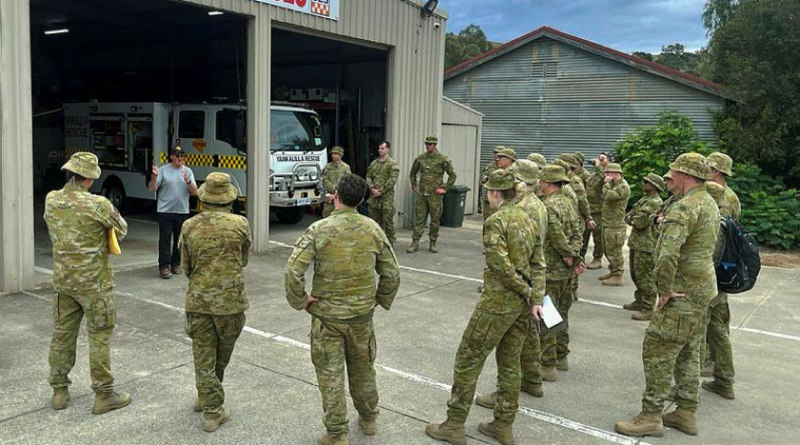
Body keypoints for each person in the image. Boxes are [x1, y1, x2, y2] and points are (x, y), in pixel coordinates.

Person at [426, 169, 544, 445]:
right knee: (510, 363)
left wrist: (527, 291)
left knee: (468, 358)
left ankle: (454, 424)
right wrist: (534, 297)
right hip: (521, 305)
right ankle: (503, 424)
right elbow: (539, 263)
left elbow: (500, 265)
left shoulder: (496, 221)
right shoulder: (528, 219)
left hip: (498, 302)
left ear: (493, 193)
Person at [285, 174, 400, 445]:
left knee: (330, 375)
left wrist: (301, 300)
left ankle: (337, 434)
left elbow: (293, 270)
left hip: (327, 318)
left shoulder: (319, 229)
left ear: (335, 195)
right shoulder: (373, 229)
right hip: (361, 316)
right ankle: (369, 419)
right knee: (363, 369)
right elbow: (392, 273)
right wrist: (381, 298)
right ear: (361, 200)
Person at [615, 153, 719, 438]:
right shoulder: (709, 202)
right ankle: (686, 411)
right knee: (689, 352)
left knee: (658, 350)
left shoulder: (684, 208)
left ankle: (650, 415)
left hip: (682, 294)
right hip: (702, 291)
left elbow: (667, 255)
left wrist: (664, 290)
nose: (667, 178)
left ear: (686, 176)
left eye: (672, 173)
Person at [44, 152, 131, 414]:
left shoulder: (51, 200)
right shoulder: (99, 204)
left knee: (62, 337)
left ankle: (59, 391)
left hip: (64, 282)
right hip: (95, 284)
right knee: (99, 339)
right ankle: (104, 394)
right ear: (91, 178)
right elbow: (122, 229)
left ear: (70, 173)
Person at [179, 172, 252, 433]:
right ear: (228, 198)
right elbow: (243, 260)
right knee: (221, 356)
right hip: (231, 303)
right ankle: (212, 411)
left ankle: (207, 397)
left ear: (205, 197)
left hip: (199, 300)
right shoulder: (240, 224)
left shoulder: (189, 226)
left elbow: (185, 267)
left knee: (203, 356)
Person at [474, 160, 548, 410]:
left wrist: (529, 292)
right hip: (528, 286)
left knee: (485, 353)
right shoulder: (533, 205)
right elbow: (538, 258)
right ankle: (530, 382)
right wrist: (534, 293)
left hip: (511, 291)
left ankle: (526, 383)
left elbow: (507, 260)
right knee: (520, 344)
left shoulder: (522, 209)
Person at [538, 164, 585, 381]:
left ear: (546, 182)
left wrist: (569, 256)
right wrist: (575, 257)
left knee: (547, 316)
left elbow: (556, 236)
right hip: (567, 272)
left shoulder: (547, 206)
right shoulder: (568, 203)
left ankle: (547, 365)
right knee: (562, 313)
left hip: (551, 270)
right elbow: (578, 232)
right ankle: (561, 356)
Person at [701, 152, 741, 400]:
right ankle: (719, 373)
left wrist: (707, 270)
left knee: (715, 323)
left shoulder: (722, 198)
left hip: (715, 269)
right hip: (720, 268)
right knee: (716, 322)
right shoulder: (728, 196)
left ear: (715, 171)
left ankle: (724, 377)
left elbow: (716, 239)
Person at [148, 146, 198, 279]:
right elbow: (152, 188)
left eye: (182, 155)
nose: (180, 158)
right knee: (165, 239)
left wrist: (188, 180)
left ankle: (176, 262)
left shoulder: (187, 171)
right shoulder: (163, 170)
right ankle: (164, 266)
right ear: (171, 157)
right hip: (165, 210)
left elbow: (195, 191)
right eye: (177, 156)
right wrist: (154, 176)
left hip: (182, 210)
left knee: (179, 239)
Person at [624, 173, 665, 321]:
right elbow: (629, 216)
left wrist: (631, 218)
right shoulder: (645, 200)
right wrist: (631, 217)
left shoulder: (654, 202)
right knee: (636, 274)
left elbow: (640, 223)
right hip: (637, 243)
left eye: (647, 182)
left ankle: (648, 308)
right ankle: (640, 300)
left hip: (647, 245)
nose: (644, 183)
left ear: (655, 186)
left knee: (645, 277)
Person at [408, 135, 457, 254]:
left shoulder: (442, 159)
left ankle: (433, 241)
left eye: (430, 144)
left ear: (435, 145)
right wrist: (414, 185)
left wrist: (444, 188)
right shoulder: (420, 159)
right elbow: (412, 173)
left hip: (435, 195)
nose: (427, 146)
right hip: (422, 195)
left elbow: (452, 175)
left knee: (435, 219)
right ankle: (415, 242)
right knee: (419, 219)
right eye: (426, 144)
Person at [599, 163, 631, 286]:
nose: (605, 175)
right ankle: (613, 271)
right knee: (607, 249)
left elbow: (609, 196)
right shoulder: (614, 185)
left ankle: (618, 275)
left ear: (616, 174)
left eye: (608, 173)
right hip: (608, 222)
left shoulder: (623, 186)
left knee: (614, 251)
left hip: (616, 225)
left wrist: (606, 184)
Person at [366, 141, 400, 245]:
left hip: (386, 197)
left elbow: (392, 179)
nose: (380, 150)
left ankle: (390, 242)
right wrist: (372, 189)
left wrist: (382, 191)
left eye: (382, 148)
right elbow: (368, 177)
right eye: (379, 148)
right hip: (374, 196)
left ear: (388, 149)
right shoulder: (374, 163)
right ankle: (375, 241)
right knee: (373, 221)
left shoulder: (392, 164)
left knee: (388, 220)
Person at [584, 152, 609, 269]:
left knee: (598, 236)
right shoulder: (594, 174)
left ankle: (597, 258)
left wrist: (599, 165)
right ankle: (581, 256)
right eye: (598, 157)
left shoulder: (609, 174)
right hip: (588, 209)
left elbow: (604, 178)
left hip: (599, 210)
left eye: (602, 158)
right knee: (584, 235)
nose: (599, 160)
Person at [482, 147, 516, 220]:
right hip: (492, 204)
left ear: (509, 159)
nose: (497, 159)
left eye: (501, 157)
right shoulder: (496, 169)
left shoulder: (515, 175)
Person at [321, 146, 352, 218]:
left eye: (335, 153)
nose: (333, 155)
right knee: (327, 217)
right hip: (330, 197)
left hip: (341, 197)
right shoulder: (328, 167)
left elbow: (349, 181)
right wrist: (333, 188)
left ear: (340, 155)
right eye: (332, 153)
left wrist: (340, 191)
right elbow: (324, 179)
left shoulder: (345, 167)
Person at [480, 148, 502, 215]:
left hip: (501, 197)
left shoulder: (505, 166)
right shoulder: (490, 166)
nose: (496, 155)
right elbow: (484, 177)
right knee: (487, 216)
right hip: (489, 197)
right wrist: (483, 179)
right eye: (495, 153)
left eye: (498, 153)